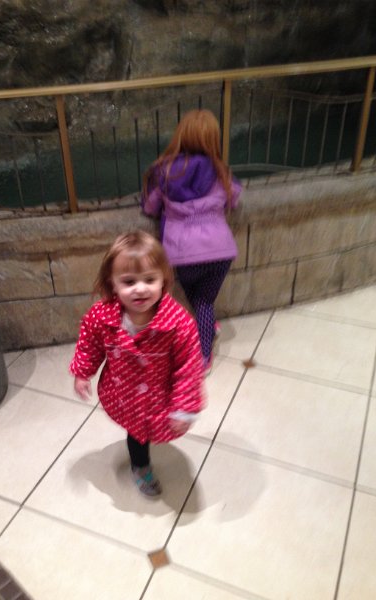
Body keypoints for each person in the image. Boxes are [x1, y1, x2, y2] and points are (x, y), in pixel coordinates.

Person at [70, 230, 204, 497]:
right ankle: (140, 467)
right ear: (113, 284)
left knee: (153, 429)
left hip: (159, 395)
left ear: (163, 280)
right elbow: (90, 344)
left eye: (149, 279)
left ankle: (143, 453)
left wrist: (184, 406)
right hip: (124, 393)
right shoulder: (102, 317)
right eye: (129, 281)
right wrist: (83, 372)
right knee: (137, 435)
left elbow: (188, 367)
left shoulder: (178, 323)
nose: (140, 289)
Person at [142, 109, 242, 374]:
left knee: (198, 299)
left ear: (180, 134)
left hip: (183, 254)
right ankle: (207, 338)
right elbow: (234, 198)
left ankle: (203, 351)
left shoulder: (163, 171)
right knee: (205, 301)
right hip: (220, 252)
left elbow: (150, 206)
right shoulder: (221, 171)